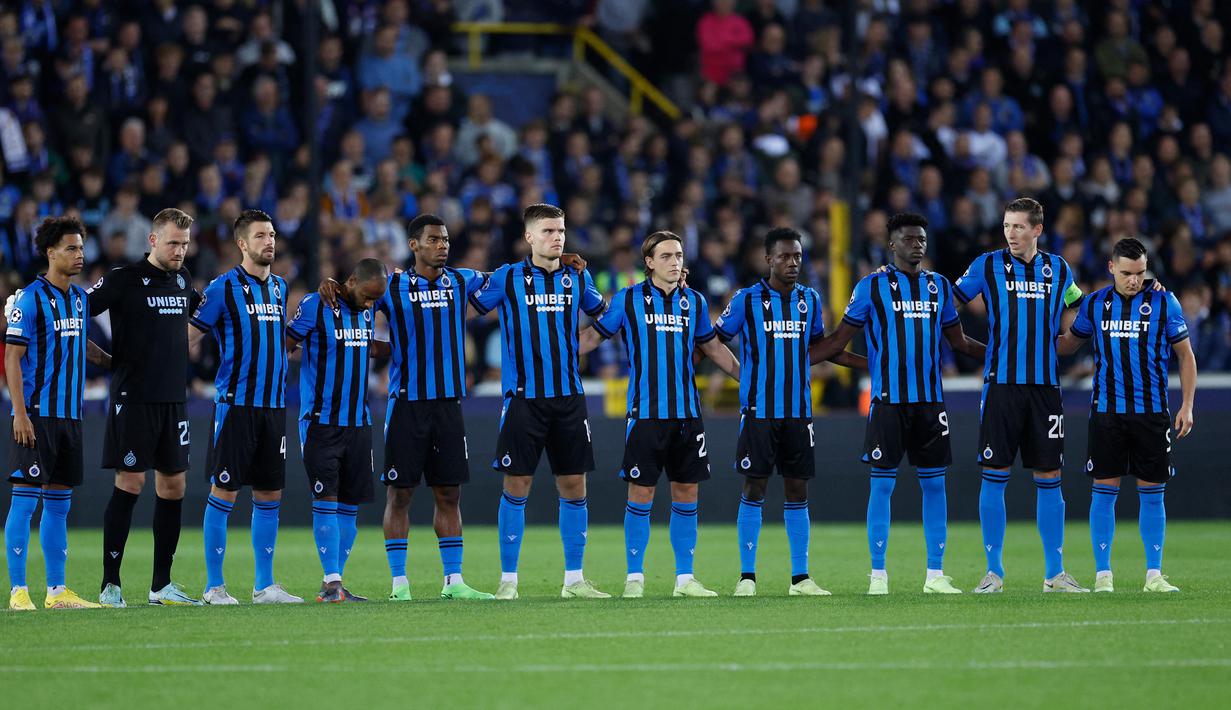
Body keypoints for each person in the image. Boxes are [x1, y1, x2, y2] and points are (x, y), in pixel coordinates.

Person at [810, 213, 985, 595]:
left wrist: (1000, 357)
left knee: (936, 486)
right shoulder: (871, 287)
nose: (917, 244)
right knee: (882, 488)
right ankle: (878, 576)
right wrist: (794, 359)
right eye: (908, 238)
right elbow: (838, 342)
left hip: (929, 403)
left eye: (921, 238)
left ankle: (935, 575)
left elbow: (959, 342)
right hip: (888, 402)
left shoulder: (939, 286)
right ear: (892, 244)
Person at [578, 231, 741, 599]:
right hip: (646, 413)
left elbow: (713, 348)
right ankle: (634, 577)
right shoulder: (629, 299)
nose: (675, 261)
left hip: (687, 414)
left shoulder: (694, 302)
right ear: (649, 262)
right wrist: (554, 356)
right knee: (641, 493)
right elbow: (591, 339)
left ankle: (685, 579)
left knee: (686, 493)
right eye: (666, 256)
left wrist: (749, 382)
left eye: (679, 255)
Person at [714, 227, 866, 597]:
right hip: (759, 411)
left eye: (797, 256)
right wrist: (740, 372)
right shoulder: (747, 300)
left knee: (797, 490)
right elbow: (712, 342)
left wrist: (875, 362)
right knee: (755, 487)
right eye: (784, 256)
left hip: (798, 412)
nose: (792, 262)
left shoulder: (809, 300)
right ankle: (746, 577)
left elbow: (823, 348)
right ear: (768, 259)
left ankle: (801, 578)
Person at [469, 204, 611, 600]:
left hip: (569, 398)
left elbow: (607, 315)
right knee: (518, 484)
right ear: (529, 237)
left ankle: (574, 580)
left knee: (574, 484)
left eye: (561, 230)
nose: (558, 237)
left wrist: (587, 341)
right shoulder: (508, 277)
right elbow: (469, 298)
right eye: (549, 231)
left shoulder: (577, 278)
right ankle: (508, 581)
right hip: (523, 400)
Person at [953, 197, 1088, 593]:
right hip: (1002, 385)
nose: (1011, 233)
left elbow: (1085, 308)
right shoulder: (987, 266)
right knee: (995, 476)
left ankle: (1055, 574)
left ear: (1037, 230)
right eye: (1007, 226)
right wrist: (967, 346)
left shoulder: (1058, 269)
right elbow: (946, 302)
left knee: (1050, 476)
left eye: (1018, 227)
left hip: (1045, 388)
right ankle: (993, 572)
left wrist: (1068, 344)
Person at [1057, 237, 1196, 593]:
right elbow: (1070, 342)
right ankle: (1103, 575)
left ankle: (1154, 575)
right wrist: (1029, 335)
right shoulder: (1095, 304)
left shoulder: (1165, 302)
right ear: (1111, 268)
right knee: (1104, 491)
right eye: (1126, 273)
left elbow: (1185, 356)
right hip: (1107, 413)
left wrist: (1187, 405)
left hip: (1152, 414)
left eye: (1139, 272)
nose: (1134, 280)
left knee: (1153, 492)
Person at [89, 208, 202, 607]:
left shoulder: (184, 281)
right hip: (132, 399)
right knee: (131, 483)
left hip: (174, 400)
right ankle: (110, 584)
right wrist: (101, 357)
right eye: (173, 242)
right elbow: (75, 313)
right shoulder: (123, 280)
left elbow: (198, 318)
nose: (180, 251)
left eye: (185, 244)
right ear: (152, 240)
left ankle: (161, 585)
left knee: (174, 486)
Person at [188, 209, 300, 605]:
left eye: (272, 234)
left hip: (273, 407)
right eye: (260, 236)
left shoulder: (280, 288)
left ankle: (264, 585)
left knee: (270, 494)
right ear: (241, 244)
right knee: (225, 491)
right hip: (236, 405)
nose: (269, 241)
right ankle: (214, 586)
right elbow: (188, 337)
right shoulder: (221, 288)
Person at [4, 216, 105, 609]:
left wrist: (120, 362)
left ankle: (57, 591)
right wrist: (19, 413)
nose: (79, 255)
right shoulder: (29, 298)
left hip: (70, 418)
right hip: (36, 415)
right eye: (70, 248)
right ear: (50, 252)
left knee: (59, 504)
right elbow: (12, 359)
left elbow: (84, 348)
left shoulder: (79, 299)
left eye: (81, 247)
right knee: (25, 502)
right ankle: (18, 591)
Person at [287, 259, 388, 603]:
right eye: (368, 296)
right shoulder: (317, 304)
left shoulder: (364, 310)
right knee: (326, 498)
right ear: (352, 280)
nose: (371, 304)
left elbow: (369, 347)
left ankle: (336, 581)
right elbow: (286, 342)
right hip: (321, 422)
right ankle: (331, 581)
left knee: (350, 507)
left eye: (377, 300)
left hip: (359, 424)